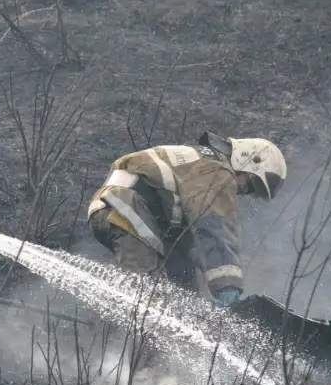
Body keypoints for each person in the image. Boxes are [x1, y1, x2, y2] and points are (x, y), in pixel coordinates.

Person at [88, 132, 286, 308]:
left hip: (129, 212)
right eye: (250, 185)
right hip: (127, 208)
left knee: (183, 293)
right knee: (148, 297)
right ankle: (136, 337)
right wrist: (228, 286)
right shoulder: (217, 170)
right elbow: (214, 228)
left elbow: (192, 240)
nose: (243, 191)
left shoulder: (199, 166)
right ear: (249, 160)